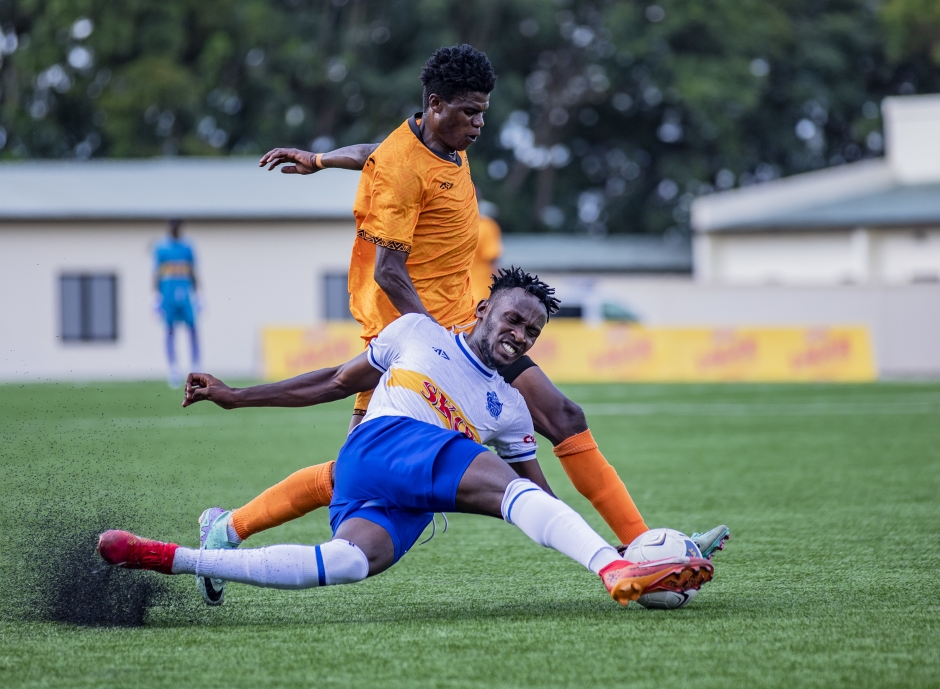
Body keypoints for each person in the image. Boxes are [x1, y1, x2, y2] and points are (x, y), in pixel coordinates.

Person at [253, 45, 727, 570]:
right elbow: (389, 271)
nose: (480, 124)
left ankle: (640, 545)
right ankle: (229, 527)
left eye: (483, 112)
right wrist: (437, 347)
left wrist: (320, 159)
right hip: (417, 333)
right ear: (436, 105)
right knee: (349, 474)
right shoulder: (405, 168)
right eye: (470, 112)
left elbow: (374, 151)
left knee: (563, 415)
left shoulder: (440, 141)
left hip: (463, 319)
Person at [98, 270, 713, 607]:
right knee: (496, 484)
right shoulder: (419, 332)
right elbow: (335, 382)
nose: (521, 335)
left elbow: (538, 499)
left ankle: (174, 558)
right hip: (381, 444)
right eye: (513, 318)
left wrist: (650, 551)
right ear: (482, 311)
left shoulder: (511, 410)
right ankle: (612, 574)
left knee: (346, 564)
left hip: (407, 498)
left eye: (532, 331)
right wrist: (236, 395)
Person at [153, 219, 199, 387]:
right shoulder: (161, 248)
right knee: (170, 331)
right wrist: (156, 297)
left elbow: (194, 271)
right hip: (168, 296)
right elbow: (156, 273)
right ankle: (173, 369)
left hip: (185, 295)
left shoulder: (187, 247)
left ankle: (196, 367)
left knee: (193, 329)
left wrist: (199, 294)